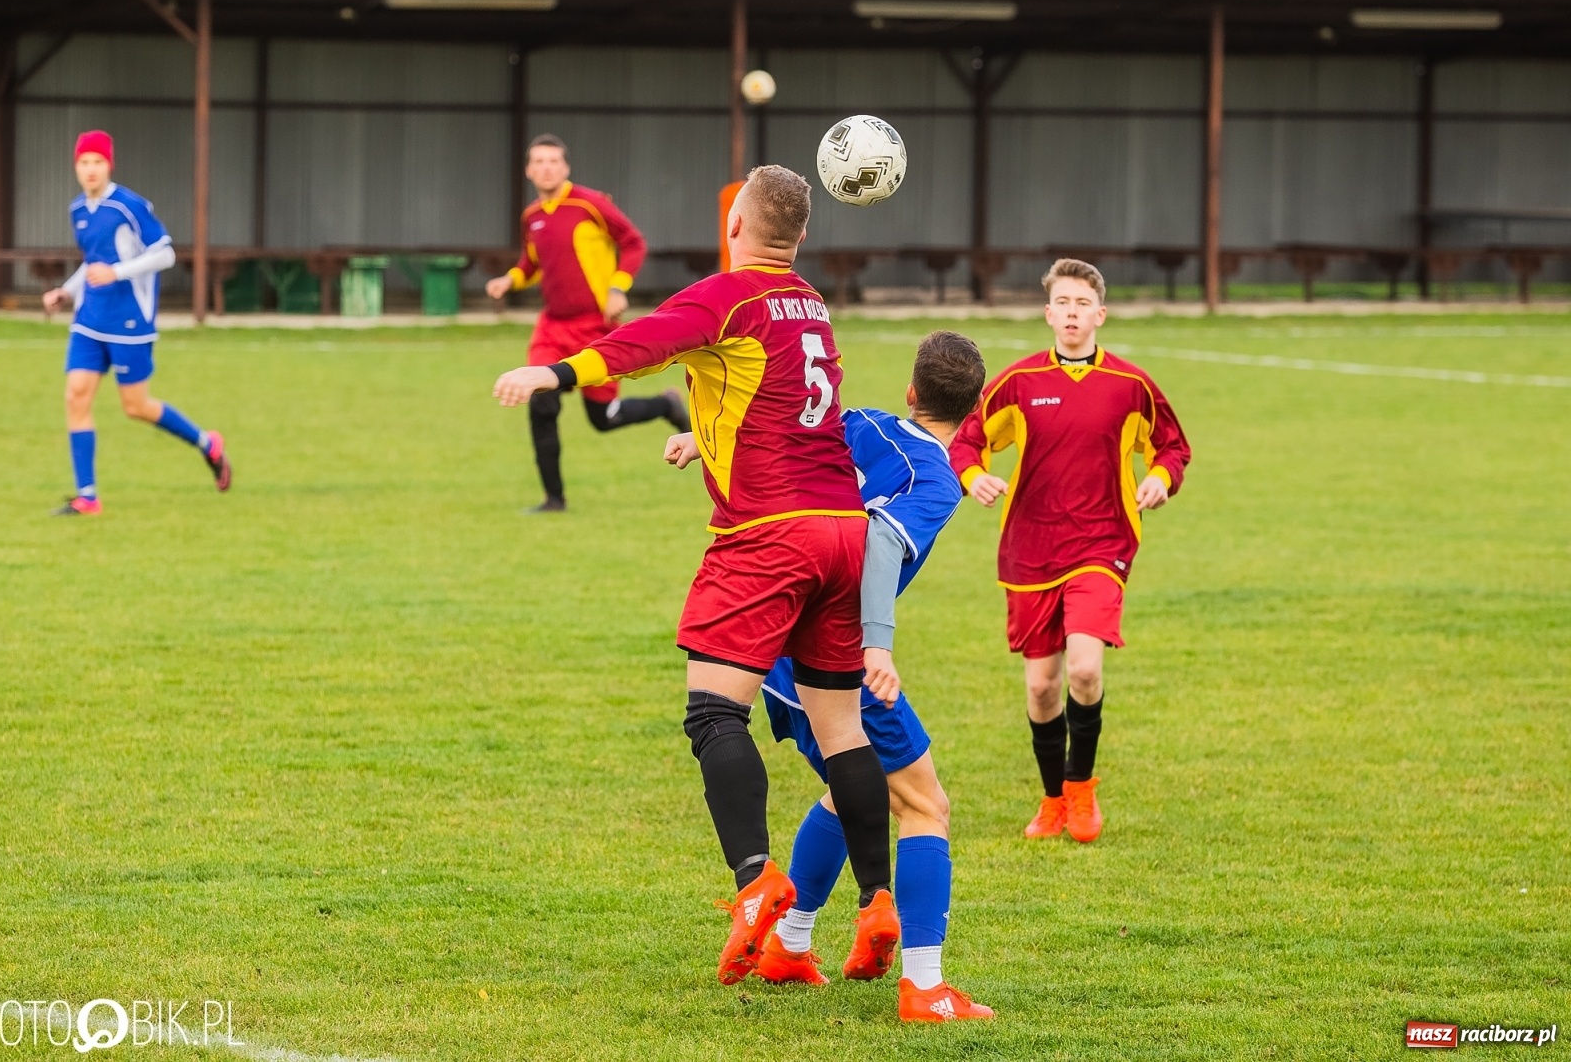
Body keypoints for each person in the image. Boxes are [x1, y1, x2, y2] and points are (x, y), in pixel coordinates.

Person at [493, 165, 896, 990]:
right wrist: (702, 440)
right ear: (801, 237)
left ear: (735, 225)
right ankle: (878, 901)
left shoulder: (730, 295)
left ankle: (756, 880)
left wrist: (554, 373)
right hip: (843, 530)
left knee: (714, 713)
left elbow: (644, 342)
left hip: (767, 533)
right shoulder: (810, 303)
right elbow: (783, 402)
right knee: (842, 728)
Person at [740, 331, 996, 1023]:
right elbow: (882, 540)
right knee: (925, 806)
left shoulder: (861, 422)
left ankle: (789, 946)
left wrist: (693, 440)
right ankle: (925, 986)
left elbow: (777, 427)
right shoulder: (936, 480)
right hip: (838, 656)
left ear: (911, 392)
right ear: (973, 411)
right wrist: (876, 644)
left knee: (852, 789)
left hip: (777, 648)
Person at [948, 258, 1191, 843]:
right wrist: (973, 476)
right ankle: (1052, 799)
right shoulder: (1018, 382)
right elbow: (967, 440)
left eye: (1083, 304)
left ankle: (1081, 789)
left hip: (1103, 543)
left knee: (1084, 668)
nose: (1073, 313)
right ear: (1048, 313)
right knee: (1041, 686)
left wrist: (1161, 479)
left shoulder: (1131, 386)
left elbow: (1172, 447)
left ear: (1100, 314)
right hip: (1030, 548)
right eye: (1064, 303)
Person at [486, 134, 687, 513]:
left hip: (595, 327)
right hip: (552, 327)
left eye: (553, 161)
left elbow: (633, 242)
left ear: (565, 167)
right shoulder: (531, 216)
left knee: (603, 418)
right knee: (540, 401)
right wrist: (509, 280)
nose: (546, 168)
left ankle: (666, 405)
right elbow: (531, 263)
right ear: (529, 170)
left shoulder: (590, 203)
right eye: (538, 161)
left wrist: (617, 287)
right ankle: (554, 499)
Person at [42, 130, 230, 516]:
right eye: (84, 162)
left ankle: (207, 443)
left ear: (109, 165)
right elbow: (93, 263)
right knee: (76, 395)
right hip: (89, 319)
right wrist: (66, 291)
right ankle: (87, 497)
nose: (91, 169)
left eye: (98, 161)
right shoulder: (78, 209)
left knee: (136, 406)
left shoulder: (129, 206)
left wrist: (118, 273)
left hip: (129, 320)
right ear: (75, 166)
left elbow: (165, 254)